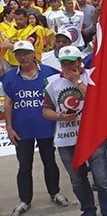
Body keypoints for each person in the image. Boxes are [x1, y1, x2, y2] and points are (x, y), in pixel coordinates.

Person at [42, 46, 107, 216]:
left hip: (92, 136)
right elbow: (45, 110)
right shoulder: (52, 82)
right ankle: (88, 210)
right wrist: (59, 116)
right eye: (64, 63)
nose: (67, 66)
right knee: (77, 180)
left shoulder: (93, 75)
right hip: (66, 139)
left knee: (101, 179)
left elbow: (98, 101)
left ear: (79, 62)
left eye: (71, 62)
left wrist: (78, 82)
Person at [3, 41, 68, 216]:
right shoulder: (9, 76)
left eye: (25, 53)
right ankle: (24, 200)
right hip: (21, 130)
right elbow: (8, 103)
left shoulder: (49, 73)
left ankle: (55, 193)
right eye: (18, 54)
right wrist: (9, 127)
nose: (22, 57)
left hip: (46, 127)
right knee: (24, 166)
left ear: (34, 54)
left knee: (50, 162)